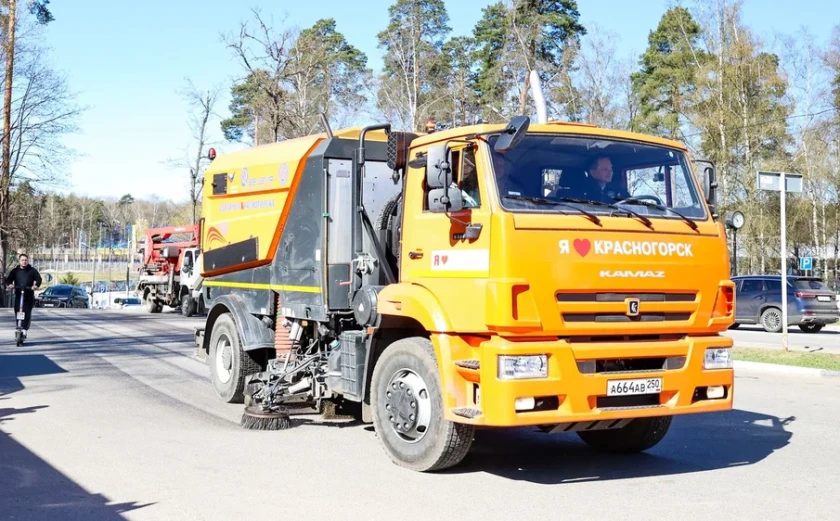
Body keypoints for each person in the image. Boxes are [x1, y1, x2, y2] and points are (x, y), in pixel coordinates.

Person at [5, 253, 42, 338]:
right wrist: (10, 284)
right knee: (18, 311)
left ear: (27, 261)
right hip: (19, 295)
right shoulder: (15, 271)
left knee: (27, 312)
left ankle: (25, 328)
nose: (24, 262)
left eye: (25, 260)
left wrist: (35, 286)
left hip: (28, 295)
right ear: (19, 261)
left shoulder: (32, 270)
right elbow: (9, 279)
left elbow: (38, 279)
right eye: (22, 260)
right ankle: (19, 326)